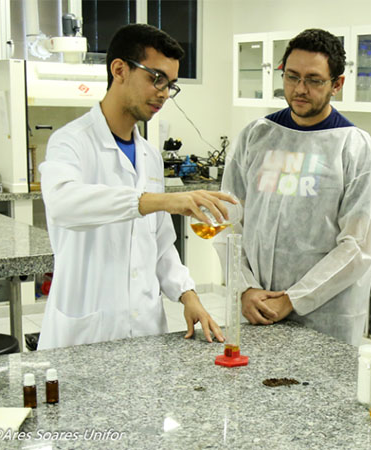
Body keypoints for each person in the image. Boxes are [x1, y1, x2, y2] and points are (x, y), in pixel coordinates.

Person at [38, 24, 231, 350]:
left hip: (145, 330)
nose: (164, 93)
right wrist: (157, 201)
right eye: (156, 78)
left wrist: (187, 294)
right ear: (119, 70)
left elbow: (159, 244)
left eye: (170, 85)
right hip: (86, 333)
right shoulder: (71, 142)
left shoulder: (149, 156)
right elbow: (62, 204)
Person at [218, 29, 371, 345]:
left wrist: (292, 299)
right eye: (291, 77)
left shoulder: (354, 147)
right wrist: (245, 288)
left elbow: (357, 245)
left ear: (337, 84)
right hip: (256, 307)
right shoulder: (256, 136)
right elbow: (228, 221)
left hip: (324, 315)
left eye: (314, 80)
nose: (299, 89)